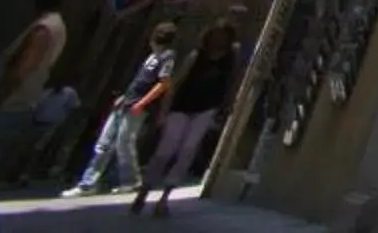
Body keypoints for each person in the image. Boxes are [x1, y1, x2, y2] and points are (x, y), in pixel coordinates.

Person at [0, 0, 68, 233]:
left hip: (7, 104)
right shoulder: (57, 27)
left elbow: (19, 73)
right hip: (15, 103)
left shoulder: (44, 29)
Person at [128, 22, 233, 218]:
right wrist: (164, 111)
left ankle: (164, 199)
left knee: (187, 150)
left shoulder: (228, 61)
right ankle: (144, 191)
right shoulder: (196, 57)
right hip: (181, 108)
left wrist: (223, 111)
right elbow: (175, 83)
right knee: (165, 151)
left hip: (205, 110)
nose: (220, 41)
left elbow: (228, 87)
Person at [66, 23, 174, 197]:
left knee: (124, 142)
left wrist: (142, 103)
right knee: (105, 142)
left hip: (137, 105)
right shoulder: (152, 56)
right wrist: (125, 96)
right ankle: (89, 183)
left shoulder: (167, 57)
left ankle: (130, 180)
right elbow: (140, 81)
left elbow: (164, 84)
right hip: (127, 102)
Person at [17, 81, 79, 181]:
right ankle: (24, 173)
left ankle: (32, 173)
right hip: (37, 123)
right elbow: (35, 107)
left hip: (53, 125)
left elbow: (73, 108)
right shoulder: (45, 93)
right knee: (31, 148)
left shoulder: (69, 93)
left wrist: (65, 124)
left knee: (43, 149)